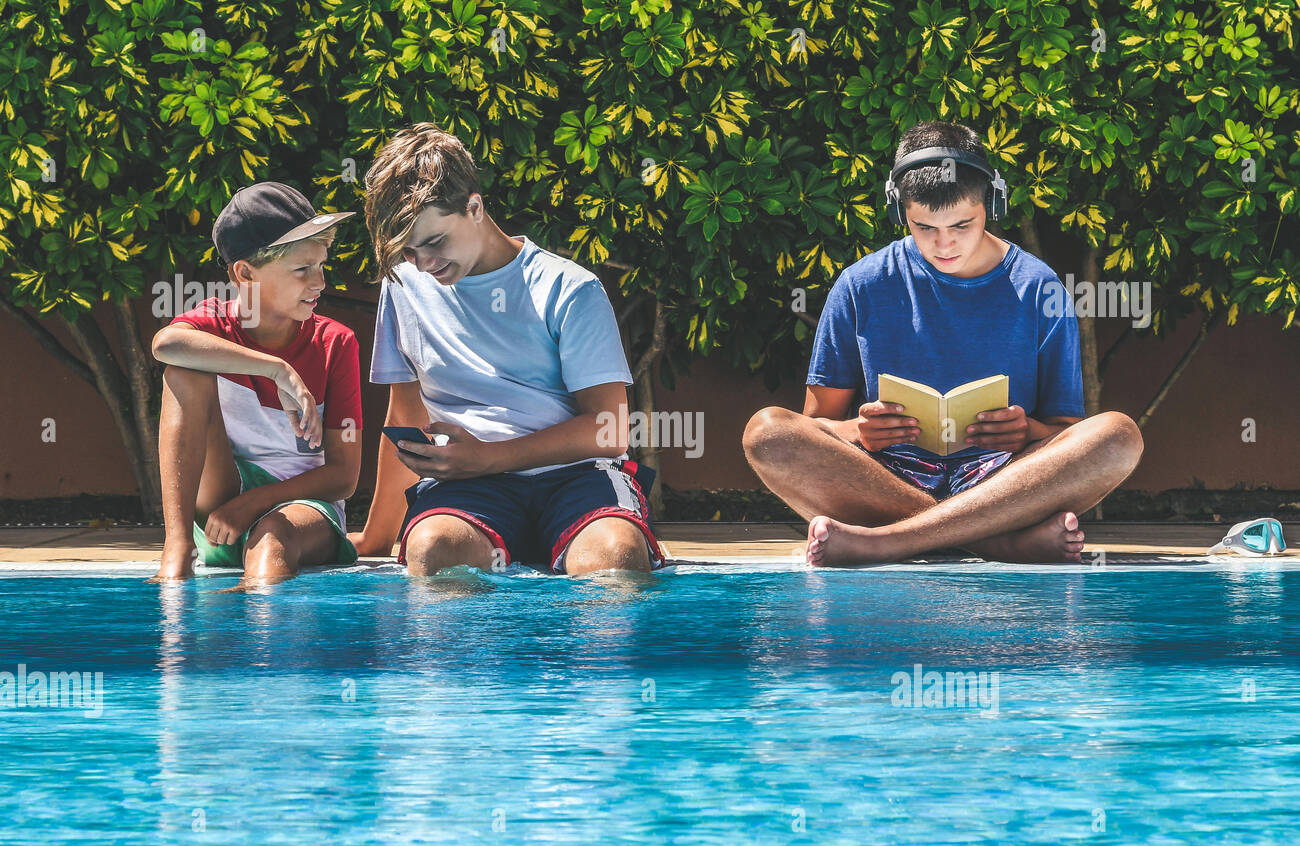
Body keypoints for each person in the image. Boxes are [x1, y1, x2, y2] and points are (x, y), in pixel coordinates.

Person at [742, 121, 1144, 566]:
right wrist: (858, 431)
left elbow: (1067, 429)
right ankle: (994, 543)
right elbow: (818, 423)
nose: (944, 243)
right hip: (887, 481)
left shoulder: (1038, 287)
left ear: (990, 203)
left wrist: (1028, 431)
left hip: (1004, 481)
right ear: (900, 211)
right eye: (925, 226)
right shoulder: (862, 284)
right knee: (768, 434)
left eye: (961, 224)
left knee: (1117, 436)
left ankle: (888, 542)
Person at [348, 123, 664, 575]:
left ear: (474, 206)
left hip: (578, 476)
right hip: (466, 485)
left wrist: (490, 457)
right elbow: (404, 419)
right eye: (409, 250)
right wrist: (377, 536)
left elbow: (609, 429)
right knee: (433, 550)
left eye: (434, 242)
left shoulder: (570, 289)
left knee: (616, 557)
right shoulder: (404, 286)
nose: (424, 264)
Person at [150, 182, 362, 582]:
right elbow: (166, 344)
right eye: (302, 269)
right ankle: (177, 547)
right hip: (219, 508)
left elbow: (344, 477)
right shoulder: (215, 324)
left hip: (303, 509)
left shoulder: (336, 342)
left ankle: (255, 639)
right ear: (245, 273)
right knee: (182, 371)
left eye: (321, 266)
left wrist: (254, 504)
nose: (319, 282)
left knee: (273, 534)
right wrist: (277, 369)